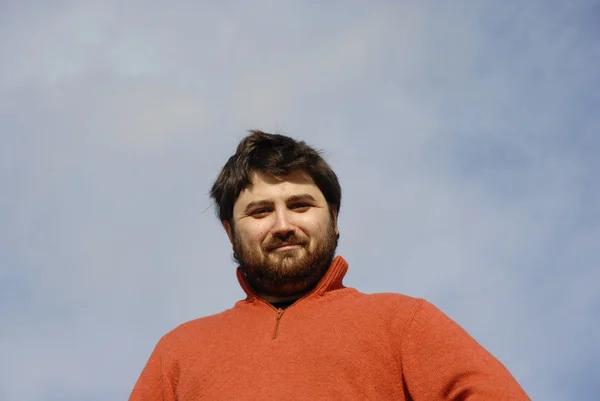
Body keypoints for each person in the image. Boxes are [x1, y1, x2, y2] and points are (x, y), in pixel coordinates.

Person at [129, 130, 530, 400]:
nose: (283, 225)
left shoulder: (403, 321)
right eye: (260, 211)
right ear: (230, 232)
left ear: (333, 217)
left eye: (300, 205)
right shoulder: (178, 352)